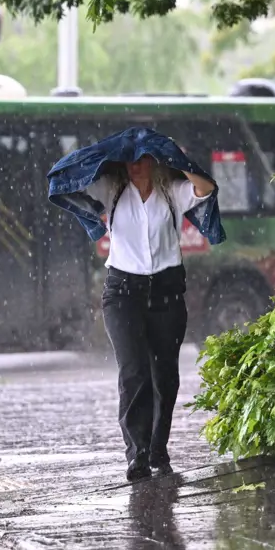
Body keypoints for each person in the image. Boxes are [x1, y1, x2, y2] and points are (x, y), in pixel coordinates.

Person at [85, 155, 216, 481]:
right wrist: (95, 160)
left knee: (165, 376)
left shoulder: (172, 191)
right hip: (122, 292)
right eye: (128, 159)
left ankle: (158, 446)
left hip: (166, 292)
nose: (134, 165)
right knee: (134, 371)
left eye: (142, 158)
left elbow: (206, 188)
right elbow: (74, 184)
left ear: (155, 161)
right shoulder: (111, 190)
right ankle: (137, 453)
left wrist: (180, 160)